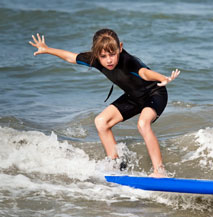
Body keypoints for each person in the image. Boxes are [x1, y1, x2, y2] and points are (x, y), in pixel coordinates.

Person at [29, 29, 180, 177]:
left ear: (120, 47)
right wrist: (48, 50)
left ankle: (159, 171)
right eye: (103, 56)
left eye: (112, 54)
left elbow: (143, 73)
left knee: (142, 124)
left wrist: (161, 78)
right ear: (96, 55)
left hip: (155, 93)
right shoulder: (95, 60)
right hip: (133, 97)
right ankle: (117, 165)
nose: (109, 60)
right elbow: (71, 57)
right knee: (101, 122)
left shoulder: (128, 61)